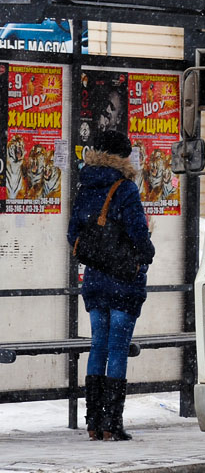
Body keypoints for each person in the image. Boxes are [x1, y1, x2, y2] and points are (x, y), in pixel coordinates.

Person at [67, 130, 155, 441]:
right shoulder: (126, 189)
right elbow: (138, 233)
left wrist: (98, 253)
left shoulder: (85, 185)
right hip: (122, 281)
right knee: (117, 348)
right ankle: (112, 424)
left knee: (98, 345)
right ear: (121, 156)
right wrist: (144, 253)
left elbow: (73, 235)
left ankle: (93, 423)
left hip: (95, 279)